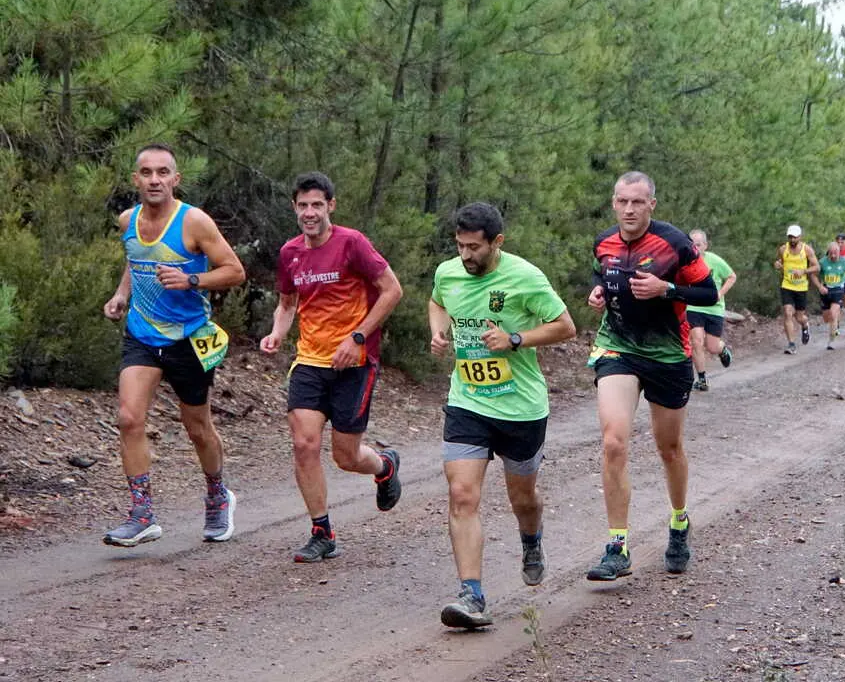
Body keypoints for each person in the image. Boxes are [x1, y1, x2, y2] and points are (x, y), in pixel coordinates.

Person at [428, 203, 576, 629]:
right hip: (468, 400)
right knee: (462, 494)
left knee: (523, 500)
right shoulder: (448, 271)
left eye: (474, 247)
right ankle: (471, 596)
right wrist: (438, 332)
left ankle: (531, 539)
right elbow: (437, 301)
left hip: (521, 408)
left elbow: (565, 326)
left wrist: (516, 338)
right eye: (459, 246)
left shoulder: (525, 277)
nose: (465, 256)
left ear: (497, 242)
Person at [101, 143, 246, 546]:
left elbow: (235, 270)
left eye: (162, 172)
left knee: (197, 427)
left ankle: (218, 494)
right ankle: (142, 513)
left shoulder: (194, 222)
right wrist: (122, 294)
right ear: (136, 179)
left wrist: (191, 280)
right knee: (129, 418)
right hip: (142, 335)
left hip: (189, 338)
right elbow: (135, 257)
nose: (154, 180)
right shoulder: (127, 220)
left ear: (175, 179)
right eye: (146, 172)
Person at [260, 172, 404, 562]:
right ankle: (322, 531)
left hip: (355, 362)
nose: (310, 213)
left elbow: (392, 290)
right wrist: (276, 334)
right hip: (309, 360)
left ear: (331, 206)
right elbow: (287, 304)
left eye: (317, 205)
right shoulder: (290, 252)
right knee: (304, 444)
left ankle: (384, 466)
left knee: (346, 456)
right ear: (294, 208)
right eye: (303, 206)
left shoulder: (351, 243)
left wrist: (356, 338)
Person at [585, 171, 717, 581]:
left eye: (637, 202)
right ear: (613, 203)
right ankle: (617, 545)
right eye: (622, 201)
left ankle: (679, 522)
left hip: (667, 353)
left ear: (651, 205)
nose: (629, 209)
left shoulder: (675, 244)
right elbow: (601, 273)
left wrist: (667, 290)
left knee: (669, 448)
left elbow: (708, 294)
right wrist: (598, 292)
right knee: (613, 441)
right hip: (618, 346)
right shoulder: (604, 242)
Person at [687, 229, 736, 391]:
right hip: (693, 307)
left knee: (712, 346)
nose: (695, 248)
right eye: (691, 244)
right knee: (696, 342)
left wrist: (720, 294)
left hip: (714, 309)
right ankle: (702, 379)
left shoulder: (714, 261)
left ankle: (722, 350)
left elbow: (731, 276)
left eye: (698, 244)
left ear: (705, 246)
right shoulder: (684, 262)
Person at [774, 225, 820, 354]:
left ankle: (805, 325)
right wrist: (778, 265)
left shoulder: (807, 250)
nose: (792, 239)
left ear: (800, 237)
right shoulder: (783, 249)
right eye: (790, 237)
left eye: (794, 237)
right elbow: (780, 262)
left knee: (799, 317)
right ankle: (791, 344)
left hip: (801, 287)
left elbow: (817, 267)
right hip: (787, 285)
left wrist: (803, 271)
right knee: (788, 312)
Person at [815, 242, 845, 350]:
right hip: (825, 291)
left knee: (833, 314)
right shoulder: (822, 262)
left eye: (835, 253)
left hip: (838, 290)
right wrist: (819, 286)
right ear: (828, 252)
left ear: (839, 252)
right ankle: (835, 323)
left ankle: (831, 341)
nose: (833, 256)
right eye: (831, 253)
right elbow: (813, 275)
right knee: (826, 318)